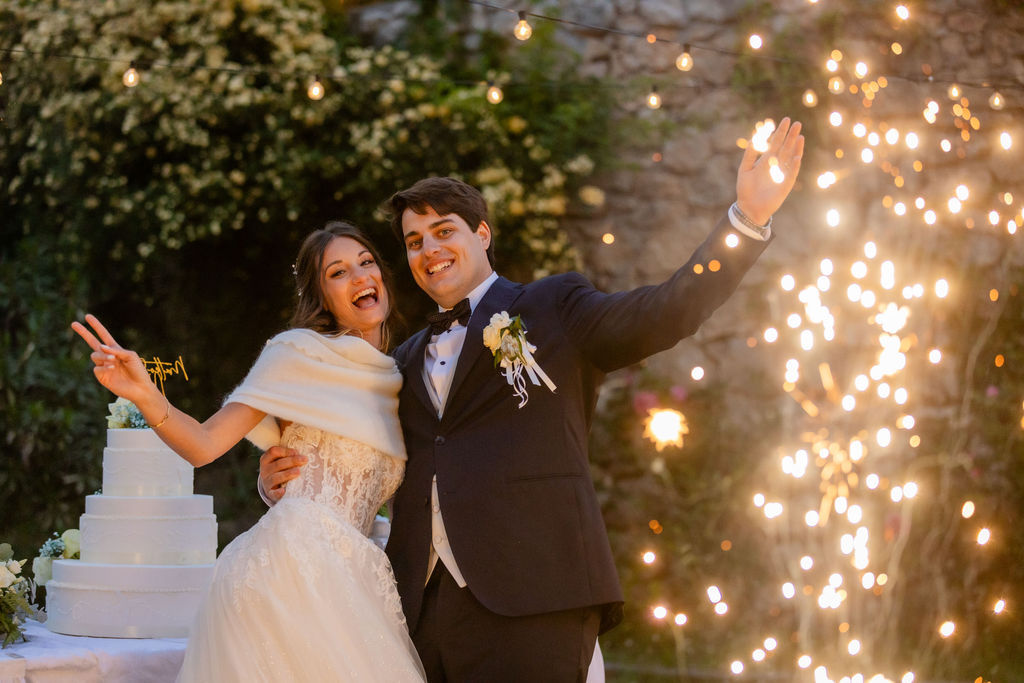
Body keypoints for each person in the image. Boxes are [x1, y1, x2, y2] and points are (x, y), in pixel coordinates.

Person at [260, 117, 805, 681]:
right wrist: (283, 479)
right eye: (414, 242)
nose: (429, 249)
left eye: (444, 231)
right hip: (422, 615)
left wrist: (747, 221)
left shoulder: (553, 306)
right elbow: (352, 453)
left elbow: (664, 311)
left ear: (482, 234)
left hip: (538, 597)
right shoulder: (399, 363)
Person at [72, 222, 426, 682]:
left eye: (366, 262)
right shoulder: (298, 353)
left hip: (357, 580)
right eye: (338, 272)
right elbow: (203, 445)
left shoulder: (398, 379)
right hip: (288, 571)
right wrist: (145, 394)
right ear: (321, 297)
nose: (360, 276)